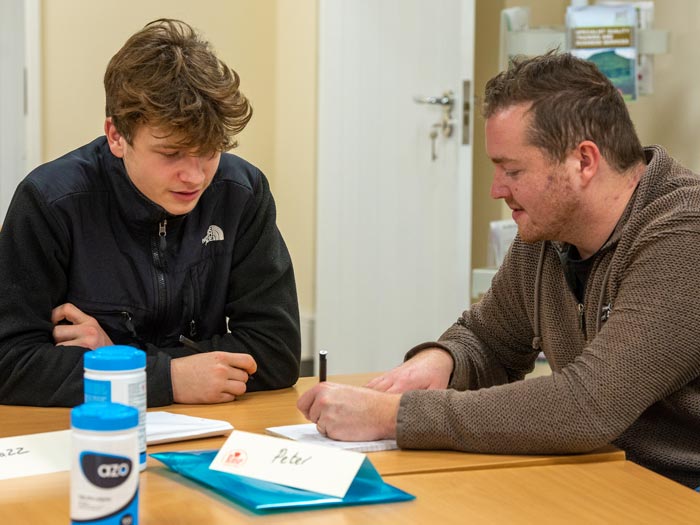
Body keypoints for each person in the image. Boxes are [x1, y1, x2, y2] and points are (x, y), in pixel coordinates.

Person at [298, 51, 700, 489]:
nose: (496, 190)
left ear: (584, 161)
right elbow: (488, 339)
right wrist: (442, 360)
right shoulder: (550, 234)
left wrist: (394, 417)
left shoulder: (684, 237)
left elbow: (589, 405)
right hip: (610, 476)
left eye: (512, 170)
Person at [0, 19, 301, 407]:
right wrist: (166, 379)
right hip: (87, 436)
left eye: (209, 150)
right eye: (171, 153)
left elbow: (275, 352)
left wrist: (122, 362)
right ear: (116, 136)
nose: (194, 177)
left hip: (211, 428)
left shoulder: (241, 194)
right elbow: (10, 363)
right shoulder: (50, 201)